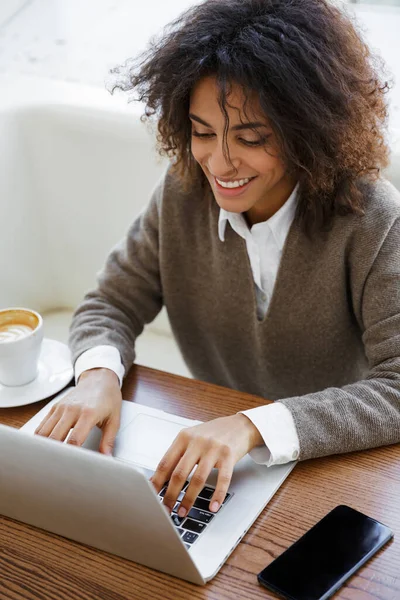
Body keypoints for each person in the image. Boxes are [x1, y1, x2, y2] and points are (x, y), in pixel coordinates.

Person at [35, 0, 400, 522]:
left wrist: (252, 426)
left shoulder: (372, 217)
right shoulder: (184, 190)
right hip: (210, 448)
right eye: (202, 132)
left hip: (334, 465)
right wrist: (97, 375)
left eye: (251, 138)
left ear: (308, 130)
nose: (220, 163)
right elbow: (110, 302)